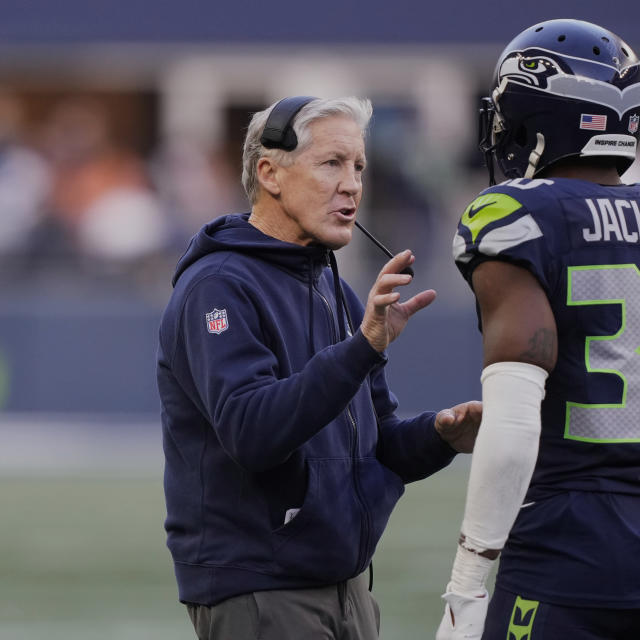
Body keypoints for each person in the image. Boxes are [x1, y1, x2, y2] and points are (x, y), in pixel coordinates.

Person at [436, 19, 640, 640]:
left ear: (540, 116)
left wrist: (466, 586)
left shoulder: (520, 220)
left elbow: (511, 426)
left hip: (567, 558)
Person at [157, 95, 481, 640]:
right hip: (262, 588)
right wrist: (362, 348)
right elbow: (252, 432)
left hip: (346, 584)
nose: (353, 184)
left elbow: (377, 446)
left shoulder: (336, 288)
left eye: (358, 167)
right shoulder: (219, 286)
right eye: (332, 163)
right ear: (270, 173)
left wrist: (442, 435)